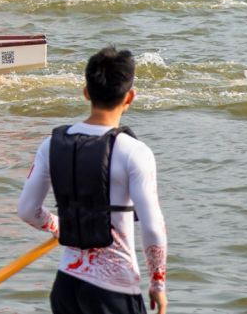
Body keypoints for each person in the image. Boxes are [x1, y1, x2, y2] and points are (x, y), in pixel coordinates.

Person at [18, 47, 168, 314]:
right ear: (130, 96)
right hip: (114, 289)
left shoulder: (51, 144)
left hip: (66, 287)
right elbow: (153, 227)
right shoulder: (135, 152)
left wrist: (58, 225)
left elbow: (28, 211)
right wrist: (158, 282)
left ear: (86, 92)